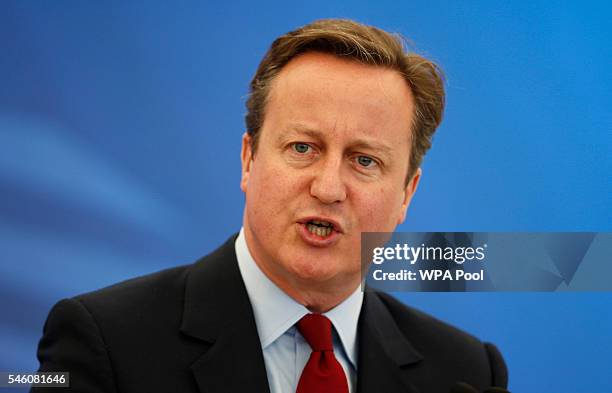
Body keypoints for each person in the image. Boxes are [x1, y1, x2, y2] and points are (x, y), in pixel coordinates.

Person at [33, 19, 508, 393]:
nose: (327, 187)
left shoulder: (464, 370)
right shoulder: (105, 341)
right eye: (303, 148)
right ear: (249, 158)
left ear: (406, 193)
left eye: (364, 160)